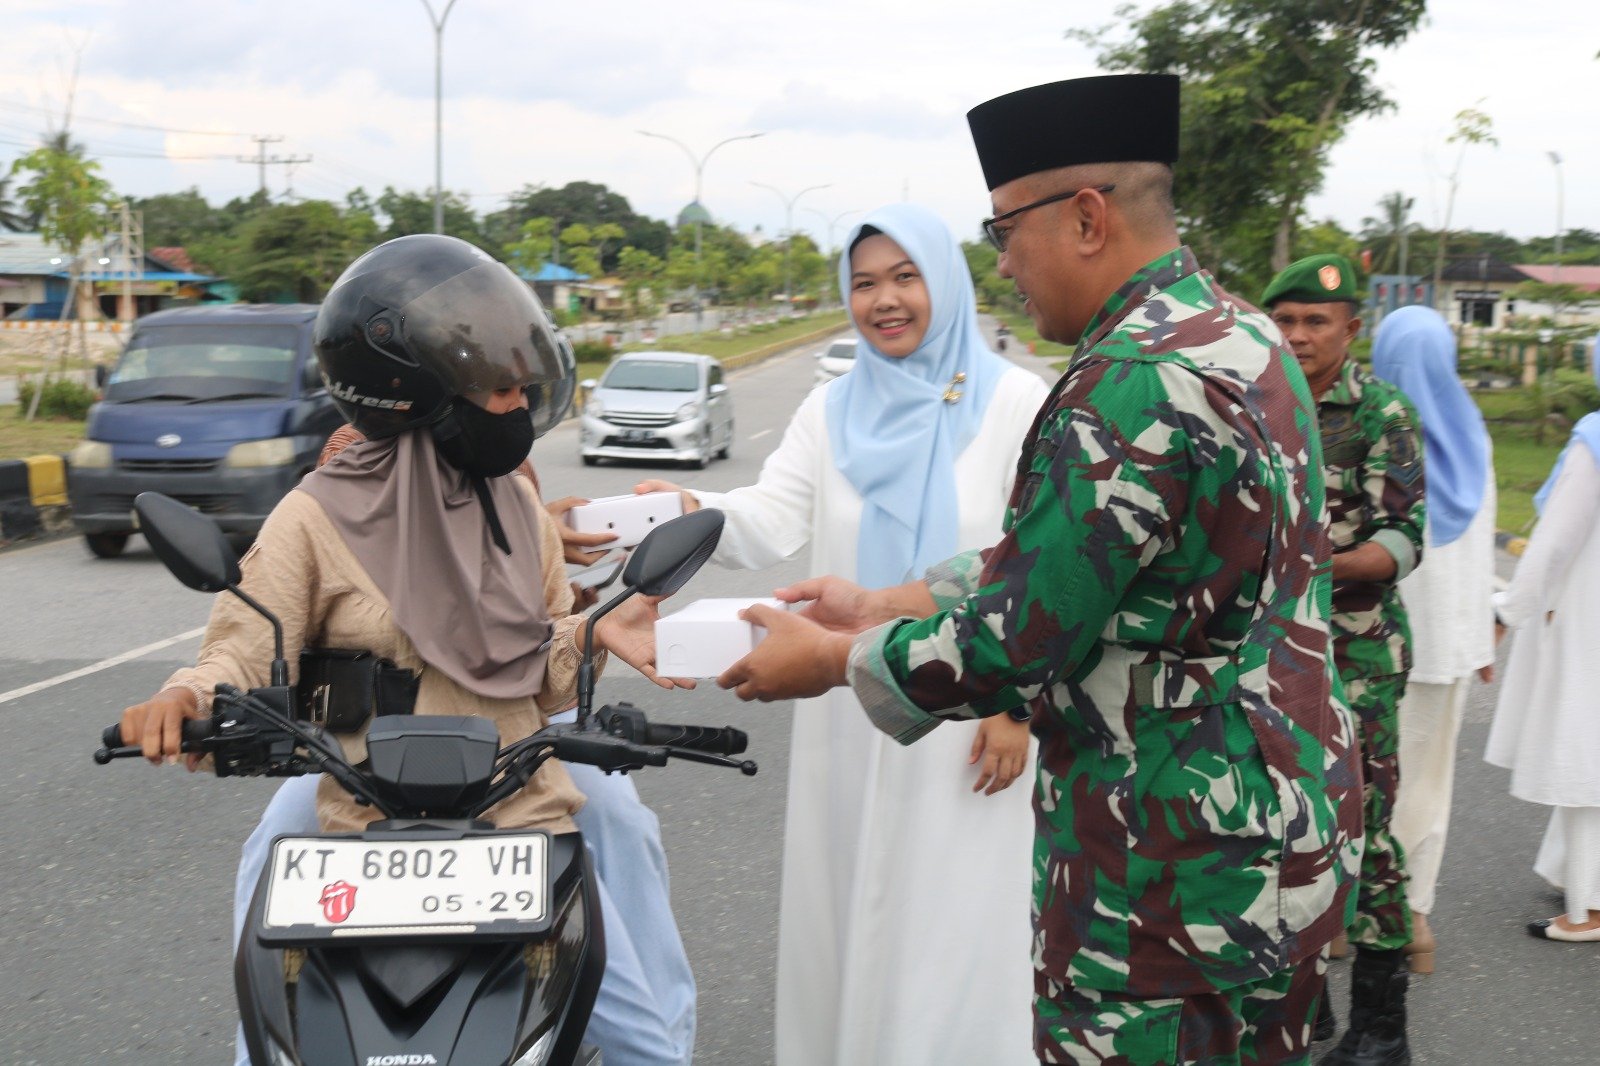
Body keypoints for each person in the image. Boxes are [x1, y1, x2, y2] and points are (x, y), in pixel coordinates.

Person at [719, 73, 1361, 1066]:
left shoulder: (1124, 381)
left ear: (1088, 217)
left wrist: (834, 659)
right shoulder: (1236, 335)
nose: (1004, 265)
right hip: (1278, 840)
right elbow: (1109, 552)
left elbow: (1017, 637)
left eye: (1006, 231)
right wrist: (898, 594)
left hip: (1165, 876)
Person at [116, 235, 688, 1062]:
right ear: (423, 393)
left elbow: (539, 666)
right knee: (273, 996)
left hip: (514, 802)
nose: (519, 406)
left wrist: (599, 633)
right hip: (363, 805)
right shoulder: (315, 515)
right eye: (501, 388)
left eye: (524, 386)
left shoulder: (515, 511)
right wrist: (187, 700)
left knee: (642, 1038)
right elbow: (240, 653)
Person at [638, 202, 1050, 1066]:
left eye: (906, 278)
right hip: (845, 704)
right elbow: (767, 517)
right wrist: (684, 509)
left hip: (970, 717)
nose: (884, 301)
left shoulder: (1019, 403)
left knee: (955, 927)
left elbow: (1036, 570)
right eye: (864, 283)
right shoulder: (832, 410)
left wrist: (1015, 708)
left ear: (946, 281)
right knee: (841, 916)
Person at [227, 425, 697, 1066]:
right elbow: (247, 647)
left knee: (619, 823)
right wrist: (205, 707)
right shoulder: (320, 512)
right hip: (366, 751)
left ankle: (660, 1037)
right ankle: (258, 1046)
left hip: (512, 736)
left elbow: (552, 657)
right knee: (275, 839)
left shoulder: (504, 481)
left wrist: (592, 617)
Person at [1263, 254, 1426, 1064]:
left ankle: (1382, 1024)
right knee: (1287, 826)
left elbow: (1399, 544)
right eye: (1285, 322)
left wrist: (1295, 557)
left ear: (1349, 329)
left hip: (1358, 654)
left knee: (1369, 828)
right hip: (1274, 654)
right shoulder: (1260, 407)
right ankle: (1308, 1009)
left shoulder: (1382, 413)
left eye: (1315, 322)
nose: (1298, 337)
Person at [1372, 306, 1497, 976]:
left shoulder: (1373, 429)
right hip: (1444, 644)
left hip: (1373, 640)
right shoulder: (1472, 432)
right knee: (1426, 783)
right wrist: (1481, 637)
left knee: (1360, 779)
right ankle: (1412, 913)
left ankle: (1354, 914)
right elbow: (1482, 542)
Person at [1486, 406, 1600, 943]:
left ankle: (1589, 911)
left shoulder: (1595, 440)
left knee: (1584, 755)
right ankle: (1566, 871)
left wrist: (1509, 610)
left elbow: (1553, 541)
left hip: (1590, 611)